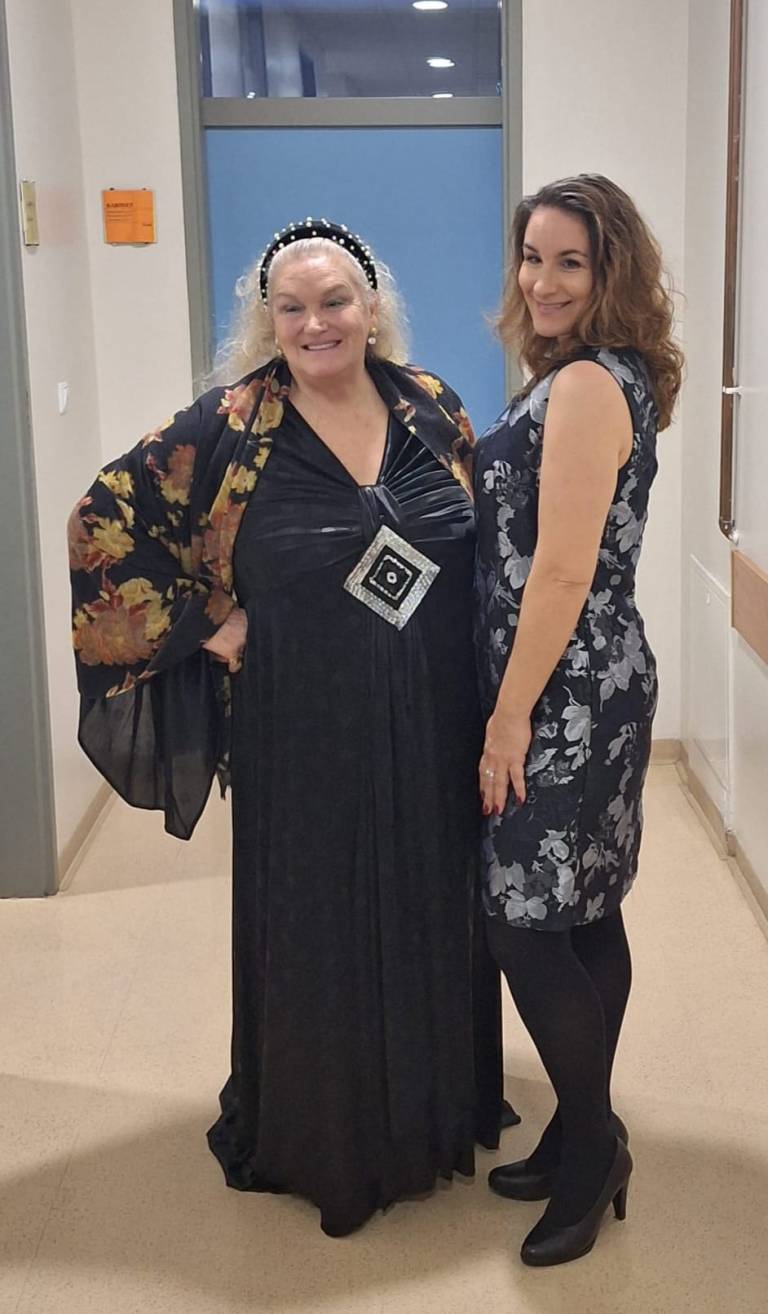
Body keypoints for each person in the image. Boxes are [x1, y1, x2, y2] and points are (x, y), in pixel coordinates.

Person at [68, 218, 512, 1237]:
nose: (317, 323)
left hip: (434, 712)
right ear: (268, 321)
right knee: (321, 920)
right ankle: (333, 1143)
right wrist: (209, 625)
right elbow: (101, 520)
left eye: (335, 301)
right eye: (292, 307)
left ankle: (433, 1110)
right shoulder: (230, 426)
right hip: (300, 721)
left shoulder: (431, 406)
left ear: (372, 308)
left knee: (430, 899)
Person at [473, 175, 683, 1267]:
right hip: (584, 678)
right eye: (532, 257)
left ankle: (594, 1146)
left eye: (571, 262)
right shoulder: (582, 372)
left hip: (566, 691)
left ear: (611, 272)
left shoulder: (593, 384)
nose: (543, 281)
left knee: (523, 921)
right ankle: (578, 1127)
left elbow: (560, 573)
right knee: (583, 909)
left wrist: (508, 720)